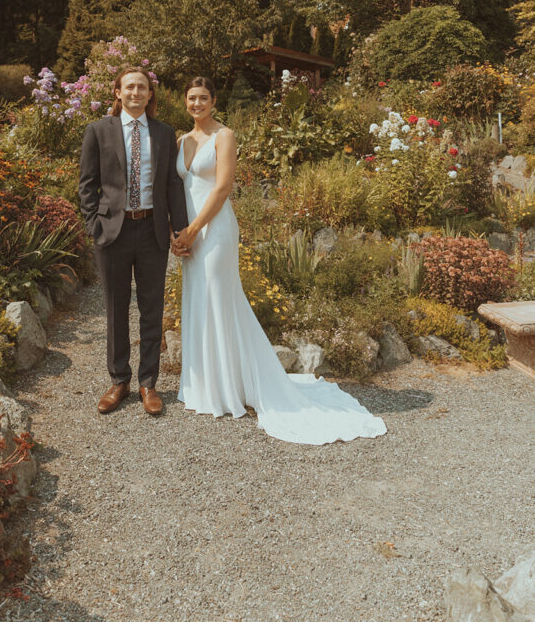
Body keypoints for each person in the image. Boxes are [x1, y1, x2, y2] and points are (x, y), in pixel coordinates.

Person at [171, 77, 387, 444]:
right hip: (188, 232)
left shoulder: (225, 136)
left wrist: (193, 229)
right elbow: (176, 188)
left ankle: (230, 389)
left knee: (220, 300)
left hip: (215, 230)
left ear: (214, 101)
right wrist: (177, 234)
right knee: (198, 299)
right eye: (191, 98)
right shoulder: (181, 141)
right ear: (186, 101)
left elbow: (223, 187)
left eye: (203, 97)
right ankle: (206, 385)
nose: (196, 103)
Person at [79, 67, 188, 416]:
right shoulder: (98, 131)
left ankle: (148, 383)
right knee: (115, 308)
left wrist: (178, 229)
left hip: (152, 230)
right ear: (118, 92)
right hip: (113, 231)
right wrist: (94, 224)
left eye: (142, 87)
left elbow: (172, 183)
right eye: (130, 87)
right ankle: (119, 380)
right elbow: (87, 184)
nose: (136, 93)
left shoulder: (164, 133)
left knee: (151, 308)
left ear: (150, 94)